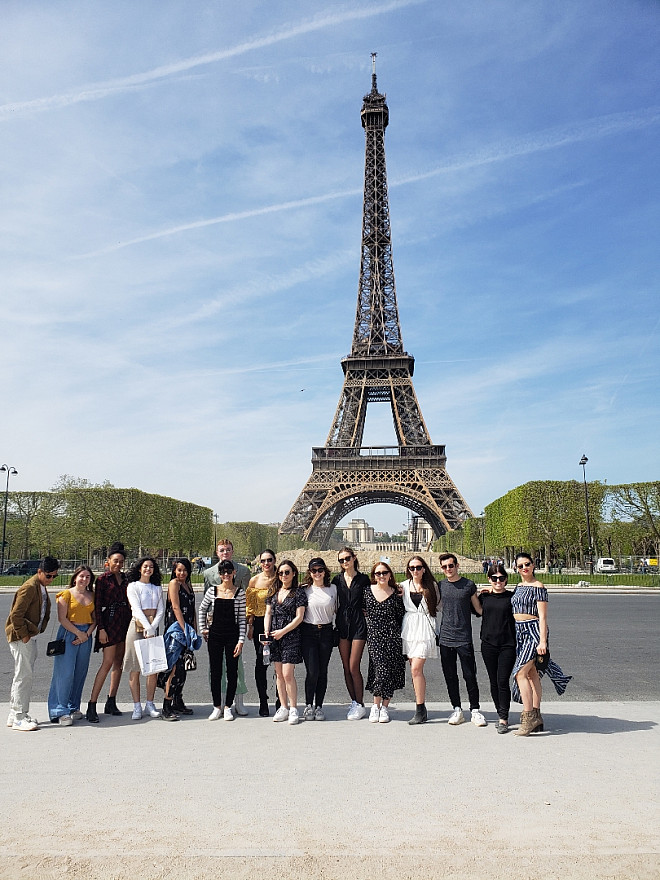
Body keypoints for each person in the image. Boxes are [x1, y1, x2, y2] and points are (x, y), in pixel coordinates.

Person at [511, 552, 572, 736]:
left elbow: (543, 617)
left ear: (533, 564)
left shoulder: (539, 587)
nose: (524, 568)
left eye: (527, 564)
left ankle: (528, 717)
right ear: (516, 568)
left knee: (519, 673)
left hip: (533, 632)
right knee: (532, 675)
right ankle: (537, 715)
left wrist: (542, 640)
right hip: (519, 632)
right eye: (520, 566)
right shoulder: (518, 586)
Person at [5, 555, 59, 731]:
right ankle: (20, 716)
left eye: (54, 576)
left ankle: (14, 714)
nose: (51, 579)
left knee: (21, 675)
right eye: (48, 575)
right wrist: (24, 635)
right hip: (22, 637)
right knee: (24, 677)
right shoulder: (29, 587)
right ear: (39, 571)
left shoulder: (40, 586)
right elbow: (15, 615)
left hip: (29, 635)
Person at [437, 552, 487, 728]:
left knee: (469, 675)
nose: (448, 569)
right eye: (444, 567)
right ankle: (457, 708)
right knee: (450, 676)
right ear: (441, 568)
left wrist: (491, 595)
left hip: (464, 637)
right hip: (446, 638)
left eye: (451, 565)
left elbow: (479, 609)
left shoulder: (468, 585)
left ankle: (475, 709)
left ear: (457, 566)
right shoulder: (440, 585)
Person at [86, 541, 130, 723]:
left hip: (124, 621)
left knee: (118, 663)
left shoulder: (126, 579)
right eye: (115, 561)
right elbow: (97, 607)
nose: (118, 564)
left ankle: (111, 700)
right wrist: (101, 629)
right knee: (107, 663)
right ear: (108, 561)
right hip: (110, 622)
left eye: (121, 561)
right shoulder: (103, 580)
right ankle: (92, 703)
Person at [204, 539, 250, 715]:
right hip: (216, 624)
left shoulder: (244, 571)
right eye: (222, 550)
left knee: (236, 665)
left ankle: (237, 700)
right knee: (216, 667)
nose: (225, 553)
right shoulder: (209, 573)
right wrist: (206, 626)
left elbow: (246, 599)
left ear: (232, 551)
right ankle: (219, 702)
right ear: (217, 553)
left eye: (228, 550)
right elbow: (207, 604)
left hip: (234, 624)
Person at [48, 566, 96, 725]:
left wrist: (87, 634)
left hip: (86, 635)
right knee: (65, 673)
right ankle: (59, 710)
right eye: (82, 576)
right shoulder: (66, 594)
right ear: (75, 577)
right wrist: (78, 633)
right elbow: (62, 618)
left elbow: (95, 618)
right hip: (69, 633)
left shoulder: (92, 595)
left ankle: (73, 706)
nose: (84, 579)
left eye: (88, 577)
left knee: (80, 673)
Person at [264, 560, 307, 725]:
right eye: (281, 573)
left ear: (294, 573)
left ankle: (294, 708)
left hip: (290, 636)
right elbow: (268, 613)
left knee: (288, 674)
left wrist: (283, 631)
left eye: (287, 572)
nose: (283, 575)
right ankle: (283, 706)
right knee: (279, 675)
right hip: (275, 636)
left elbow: (299, 617)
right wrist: (267, 632)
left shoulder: (298, 593)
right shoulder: (273, 591)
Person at [363, 561, 406, 723]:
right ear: (373, 576)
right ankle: (375, 705)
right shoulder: (367, 592)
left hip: (393, 637)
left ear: (390, 574)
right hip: (375, 637)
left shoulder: (396, 593)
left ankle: (385, 707)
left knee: (390, 672)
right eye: (378, 573)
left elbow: (401, 616)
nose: (381, 576)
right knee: (380, 670)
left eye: (384, 572)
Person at [123, 557, 165, 720]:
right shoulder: (133, 586)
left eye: (151, 567)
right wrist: (147, 627)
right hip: (137, 627)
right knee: (135, 668)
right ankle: (136, 705)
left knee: (153, 668)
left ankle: (150, 702)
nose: (148, 569)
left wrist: (153, 627)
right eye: (145, 566)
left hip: (153, 627)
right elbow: (136, 608)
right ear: (140, 569)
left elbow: (160, 609)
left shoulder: (156, 588)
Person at [332, 547, 371, 720]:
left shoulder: (363, 579)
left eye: (347, 558)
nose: (344, 562)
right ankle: (354, 702)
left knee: (354, 666)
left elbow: (373, 597)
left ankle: (360, 703)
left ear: (354, 558)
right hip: (342, 624)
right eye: (341, 560)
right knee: (346, 667)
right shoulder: (336, 580)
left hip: (358, 625)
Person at [400, 556, 439, 725]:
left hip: (425, 628)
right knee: (414, 670)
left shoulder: (433, 586)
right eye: (412, 568)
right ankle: (420, 708)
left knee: (416, 669)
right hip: (409, 629)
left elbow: (441, 605)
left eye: (418, 567)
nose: (415, 571)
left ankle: (420, 707)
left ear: (424, 569)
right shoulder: (402, 586)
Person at [478, 563, 516, 733]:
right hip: (488, 644)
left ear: (506, 579)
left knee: (502, 681)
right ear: (489, 579)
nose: (498, 581)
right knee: (494, 681)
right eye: (494, 578)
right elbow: (475, 610)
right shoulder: (484, 598)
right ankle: (499, 710)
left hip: (507, 644)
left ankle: (503, 718)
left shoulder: (512, 597)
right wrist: (479, 592)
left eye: (501, 578)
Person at [158, 558, 197, 720]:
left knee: (183, 668)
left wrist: (194, 628)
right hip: (176, 630)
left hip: (187, 630)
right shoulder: (174, 584)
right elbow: (175, 607)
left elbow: (192, 608)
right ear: (174, 570)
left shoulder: (188, 584)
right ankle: (166, 705)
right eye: (179, 570)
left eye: (185, 570)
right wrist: (184, 628)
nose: (182, 573)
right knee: (175, 667)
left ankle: (177, 700)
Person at [301, 558, 338, 721]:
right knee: (312, 671)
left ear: (325, 571)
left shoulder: (333, 589)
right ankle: (309, 704)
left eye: (320, 570)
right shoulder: (304, 590)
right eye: (314, 570)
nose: (317, 573)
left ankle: (319, 706)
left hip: (326, 632)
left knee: (323, 671)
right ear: (309, 572)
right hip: (308, 632)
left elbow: (340, 609)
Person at [246, 549, 277, 716]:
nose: (266, 563)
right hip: (259, 623)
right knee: (261, 662)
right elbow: (249, 606)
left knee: (280, 662)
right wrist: (250, 626)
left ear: (274, 560)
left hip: (278, 623)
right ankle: (263, 700)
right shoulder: (254, 581)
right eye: (263, 560)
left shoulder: (281, 577)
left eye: (269, 560)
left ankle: (281, 699)